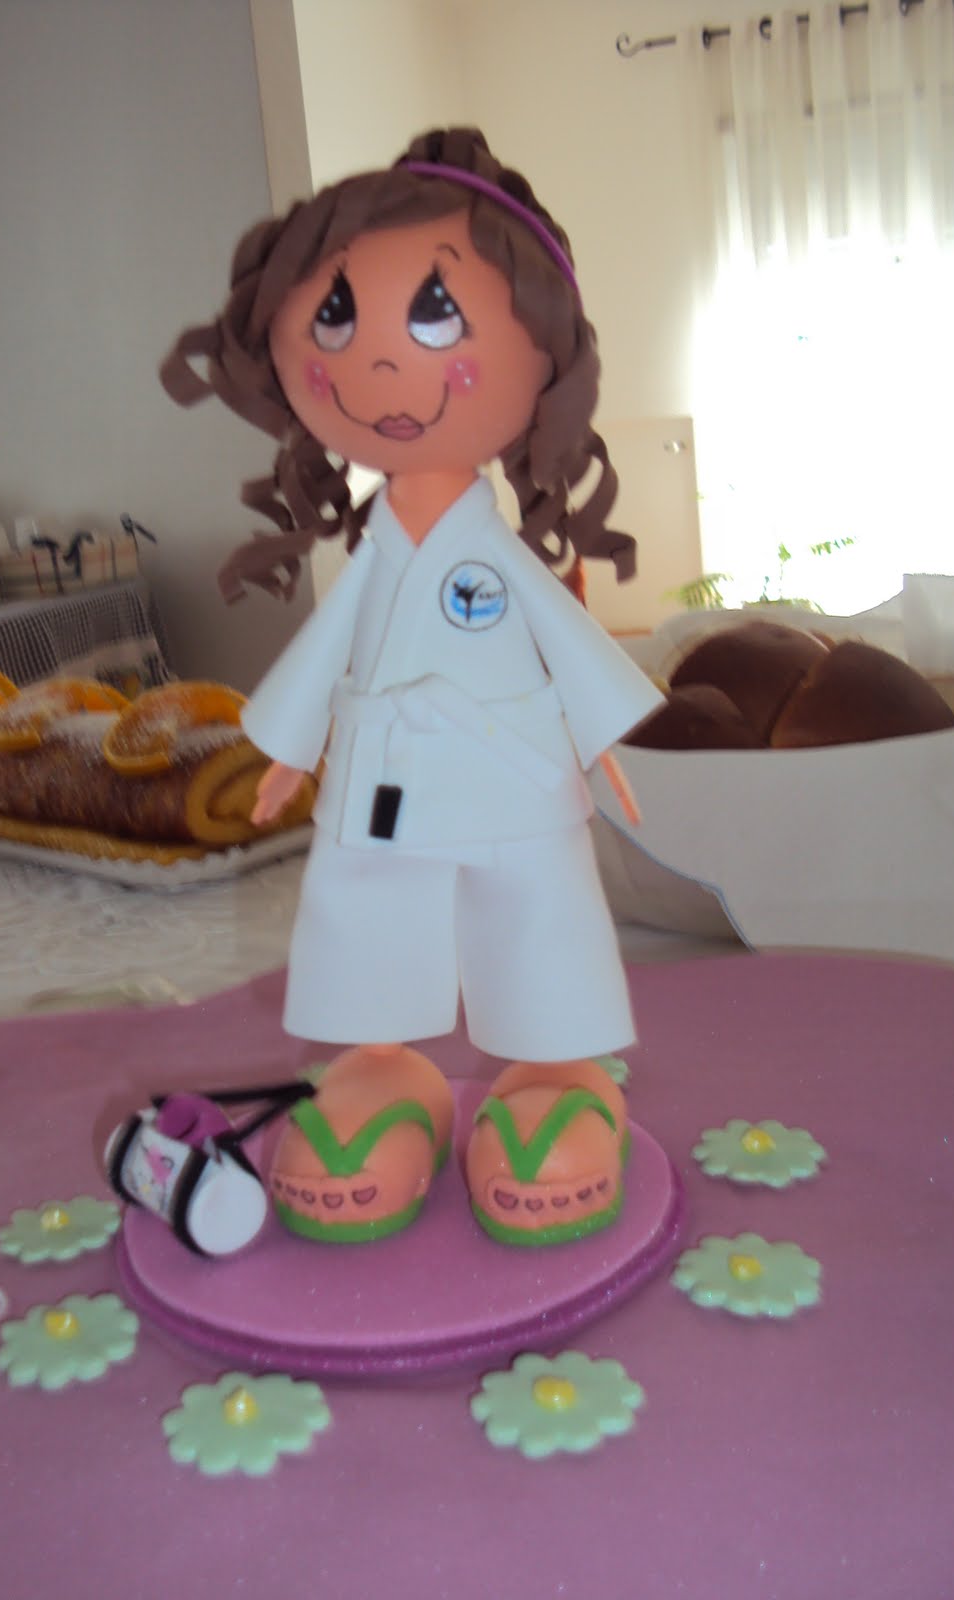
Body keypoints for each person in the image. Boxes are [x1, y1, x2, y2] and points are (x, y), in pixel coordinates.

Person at [162, 128, 662, 1247]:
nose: (380, 367)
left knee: (537, 917)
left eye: (436, 314)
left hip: (513, 779)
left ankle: (557, 1072)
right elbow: (328, 646)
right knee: (365, 915)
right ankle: (382, 1071)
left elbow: (568, 639)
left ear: (547, 359)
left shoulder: (498, 552)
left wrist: (599, 740)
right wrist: (289, 747)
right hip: (382, 784)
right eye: (335, 317)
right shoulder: (375, 551)